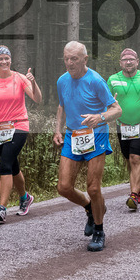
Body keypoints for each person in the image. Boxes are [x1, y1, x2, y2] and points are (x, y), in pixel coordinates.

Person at [53, 41, 122, 252]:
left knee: (93, 187)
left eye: (74, 58)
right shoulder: (62, 81)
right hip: (73, 137)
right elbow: (61, 106)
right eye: (66, 58)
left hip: (96, 136)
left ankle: (99, 231)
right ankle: (90, 208)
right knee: (63, 187)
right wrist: (57, 130)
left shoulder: (96, 81)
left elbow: (117, 110)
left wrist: (100, 117)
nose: (69, 62)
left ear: (84, 59)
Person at [0, 45, 42, 223]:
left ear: (10, 60)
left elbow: (37, 99)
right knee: (12, 165)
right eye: (0, 59)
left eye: (7, 58)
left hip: (19, 126)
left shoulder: (20, 78)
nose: (4, 61)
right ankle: (25, 198)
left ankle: (2, 208)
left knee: (5, 164)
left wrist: (33, 82)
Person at [106, 48, 140, 210]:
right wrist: (108, 105)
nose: (128, 61)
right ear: (120, 63)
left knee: (136, 158)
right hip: (122, 125)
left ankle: (133, 196)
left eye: (131, 59)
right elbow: (105, 100)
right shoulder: (112, 79)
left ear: (137, 61)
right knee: (129, 159)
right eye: (125, 59)